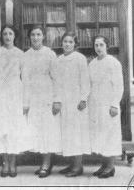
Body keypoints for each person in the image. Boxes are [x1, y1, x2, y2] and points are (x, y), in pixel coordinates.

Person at [0, 25, 32, 178]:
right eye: (5, 34)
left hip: (16, 93)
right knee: (2, 128)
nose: (7, 36)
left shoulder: (21, 54)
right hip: (1, 94)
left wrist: (25, 102)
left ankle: (13, 162)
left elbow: (26, 79)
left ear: (15, 36)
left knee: (14, 129)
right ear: (1, 36)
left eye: (10, 34)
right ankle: (4, 162)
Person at [23, 26, 61, 178]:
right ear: (29, 37)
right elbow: (24, 80)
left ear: (43, 37)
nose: (36, 37)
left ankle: (47, 163)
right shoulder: (26, 55)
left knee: (47, 131)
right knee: (36, 130)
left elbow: (57, 78)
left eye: (38, 34)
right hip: (33, 98)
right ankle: (43, 162)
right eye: (33, 34)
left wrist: (57, 100)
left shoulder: (50, 54)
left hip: (47, 96)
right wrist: (25, 102)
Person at [54, 31, 91, 177]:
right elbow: (56, 81)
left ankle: (78, 166)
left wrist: (83, 99)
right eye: (65, 42)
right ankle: (71, 164)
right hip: (64, 101)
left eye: (70, 42)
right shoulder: (59, 59)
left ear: (75, 44)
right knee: (67, 133)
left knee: (77, 134)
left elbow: (85, 80)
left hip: (76, 101)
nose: (67, 44)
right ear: (61, 43)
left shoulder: (80, 58)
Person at [88, 35, 124, 178]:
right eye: (96, 45)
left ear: (106, 46)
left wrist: (115, 104)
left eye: (101, 45)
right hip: (96, 104)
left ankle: (110, 166)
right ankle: (104, 165)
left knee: (110, 135)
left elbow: (119, 85)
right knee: (100, 135)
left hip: (109, 104)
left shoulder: (113, 63)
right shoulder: (92, 63)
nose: (98, 48)